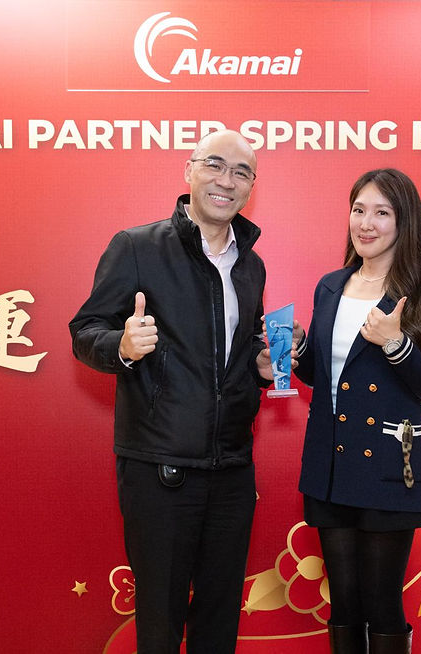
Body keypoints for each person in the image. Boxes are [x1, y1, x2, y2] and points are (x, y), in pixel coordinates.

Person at [69, 129, 277, 653]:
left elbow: (241, 345)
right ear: (188, 171)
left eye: (242, 172)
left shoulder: (251, 265)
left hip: (231, 467)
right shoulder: (137, 246)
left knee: (219, 616)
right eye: (215, 165)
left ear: (251, 187)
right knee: (159, 623)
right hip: (159, 468)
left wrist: (261, 361)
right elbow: (85, 331)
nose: (226, 181)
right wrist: (124, 343)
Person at [293, 168, 421, 654]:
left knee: (382, 600)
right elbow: (324, 379)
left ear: (404, 222)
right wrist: (295, 355)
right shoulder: (330, 286)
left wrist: (396, 344)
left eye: (381, 213)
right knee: (343, 601)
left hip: (390, 465)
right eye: (359, 210)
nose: (366, 223)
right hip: (330, 464)